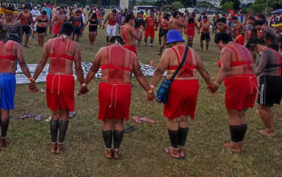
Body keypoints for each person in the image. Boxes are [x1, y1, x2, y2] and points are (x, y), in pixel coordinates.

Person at [148, 30, 214, 160]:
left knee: (173, 118)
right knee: (183, 118)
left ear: (171, 41)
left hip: (177, 86)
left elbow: (159, 70)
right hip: (192, 86)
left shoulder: (169, 52)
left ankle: (174, 150)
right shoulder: (193, 52)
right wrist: (210, 84)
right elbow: (203, 70)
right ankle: (182, 149)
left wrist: (151, 88)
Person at [84, 36, 151, 159]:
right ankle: (117, 150)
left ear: (109, 43)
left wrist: (84, 84)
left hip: (106, 88)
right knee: (119, 121)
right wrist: (149, 90)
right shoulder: (131, 55)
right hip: (123, 89)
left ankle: (108, 151)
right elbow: (139, 75)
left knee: (107, 121)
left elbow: (93, 69)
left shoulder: (102, 51)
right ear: (123, 43)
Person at [31, 23, 87, 154]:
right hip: (66, 79)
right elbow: (78, 68)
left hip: (52, 79)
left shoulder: (49, 43)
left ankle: (53, 145)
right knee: (64, 113)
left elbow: (41, 63)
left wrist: (33, 80)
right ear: (71, 33)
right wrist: (83, 84)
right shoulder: (74, 45)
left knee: (55, 113)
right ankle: (60, 145)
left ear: (60, 31)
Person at [0, 34, 33, 148]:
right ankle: (3, 139)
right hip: (7, 78)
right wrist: (30, 78)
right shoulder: (16, 45)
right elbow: (22, 63)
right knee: (5, 110)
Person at [212, 33, 257, 152]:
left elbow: (225, 68)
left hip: (238, 83)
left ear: (221, 41)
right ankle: (240, 143)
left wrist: (216, 84)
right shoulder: (244, 48)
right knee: (241, 113)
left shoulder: (226, 49)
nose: (219, 47)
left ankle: (235, 145)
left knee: (233, 114)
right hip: (251, 81)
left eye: (218, 45)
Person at [249, 38, 282, 137]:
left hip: (268, 81)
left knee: (261, 106)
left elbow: (259, 70)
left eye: (254, 48)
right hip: (278, 79)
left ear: (258, 45)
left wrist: (247, 76)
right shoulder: (275, 52)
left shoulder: (265, 53)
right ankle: (270, 127)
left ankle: (269, 130)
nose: (255, 51)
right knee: (266, 105)